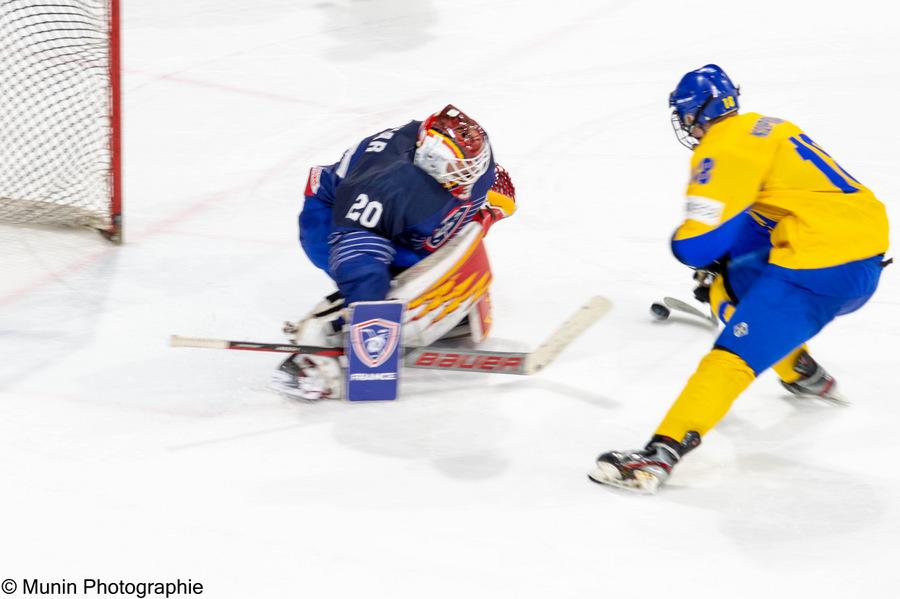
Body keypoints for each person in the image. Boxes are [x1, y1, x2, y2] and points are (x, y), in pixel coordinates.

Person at [589, 64, 890, 493]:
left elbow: (695, 244)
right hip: (859, 256)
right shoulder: (770, 127)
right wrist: (725, 260)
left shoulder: (718, 148)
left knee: (731, 358)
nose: (687, 127)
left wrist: (695, 249)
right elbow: (762, 212)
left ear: (696, 114)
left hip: (818, 267)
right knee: (729, 284)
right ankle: (800, 369)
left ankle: (659, 455)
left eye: (687, 117)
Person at [273, 104, 516, 400]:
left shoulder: (461, 166)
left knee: (437, 252)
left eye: (470, 169)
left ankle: (426, 310)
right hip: (332, 219)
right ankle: (315, 349)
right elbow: (359, 259)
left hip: (392, 209)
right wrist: (371, 328)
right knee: (378, 281)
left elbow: (472, 201)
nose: (466, 178)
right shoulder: (388, 187)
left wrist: (486, 215)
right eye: (458, 170)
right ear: (431, 161)